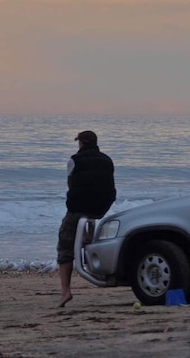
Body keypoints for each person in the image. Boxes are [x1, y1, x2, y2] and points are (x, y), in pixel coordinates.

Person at [57, 130, 116, 307]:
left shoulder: (74, 160)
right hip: (101, 208)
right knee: (89, 217)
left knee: (64, 245)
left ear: (81, 143)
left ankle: (65, 291)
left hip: (79, 209)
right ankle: (88, 237)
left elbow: (71, 185)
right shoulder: (107, 160)